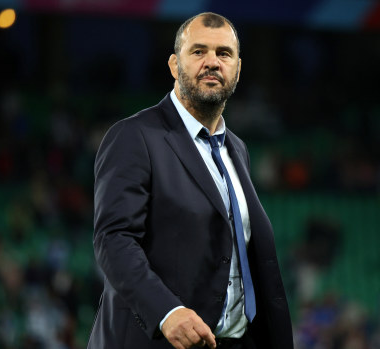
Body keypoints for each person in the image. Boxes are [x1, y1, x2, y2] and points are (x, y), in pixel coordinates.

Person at [88, 12, 293, 349]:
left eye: (223, 53)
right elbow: (114, 239)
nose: (212, 62)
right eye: (198, 52)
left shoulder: (236, 148)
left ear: (237, 68)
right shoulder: (134, 137)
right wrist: (167, 311)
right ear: (174, 65)